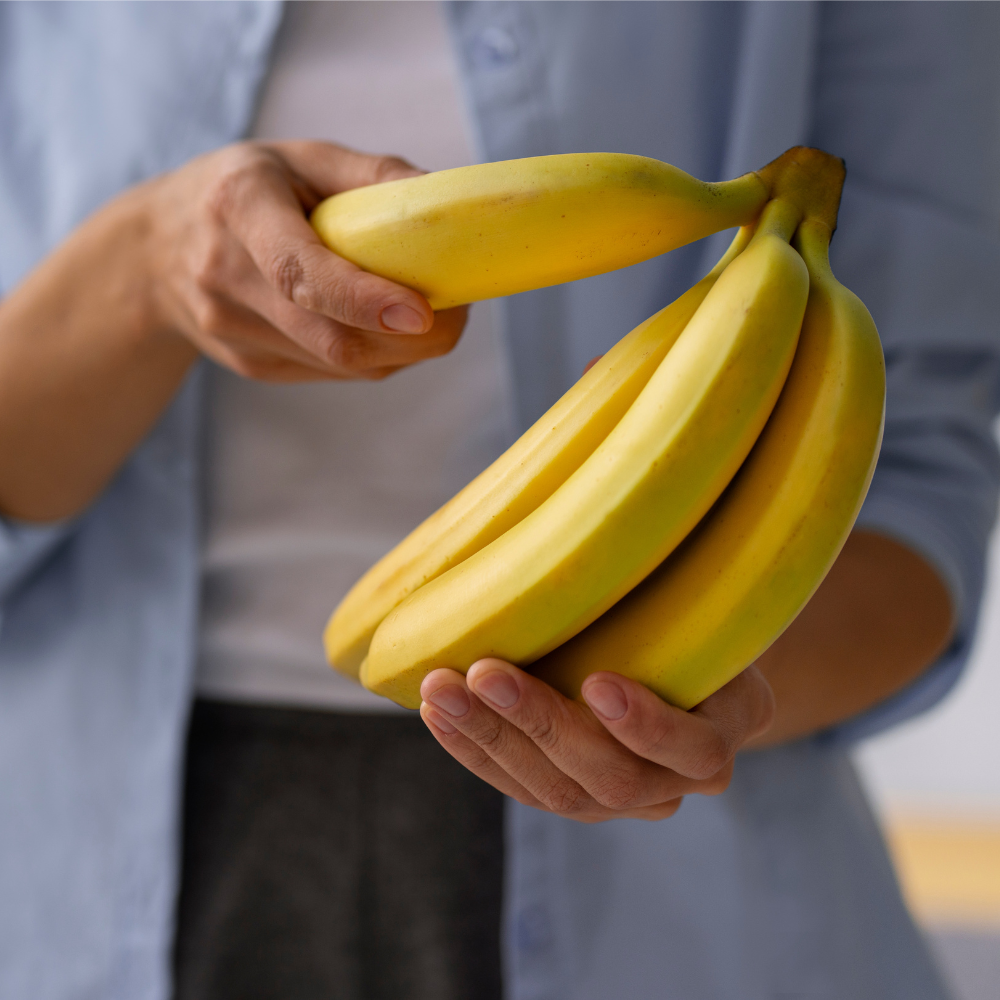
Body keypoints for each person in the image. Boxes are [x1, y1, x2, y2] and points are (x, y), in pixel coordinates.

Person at [1, 2, 998, 999]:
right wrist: (142, 272)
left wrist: (696, 668)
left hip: (670, 897)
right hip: (86, 860)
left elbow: (917, 492)